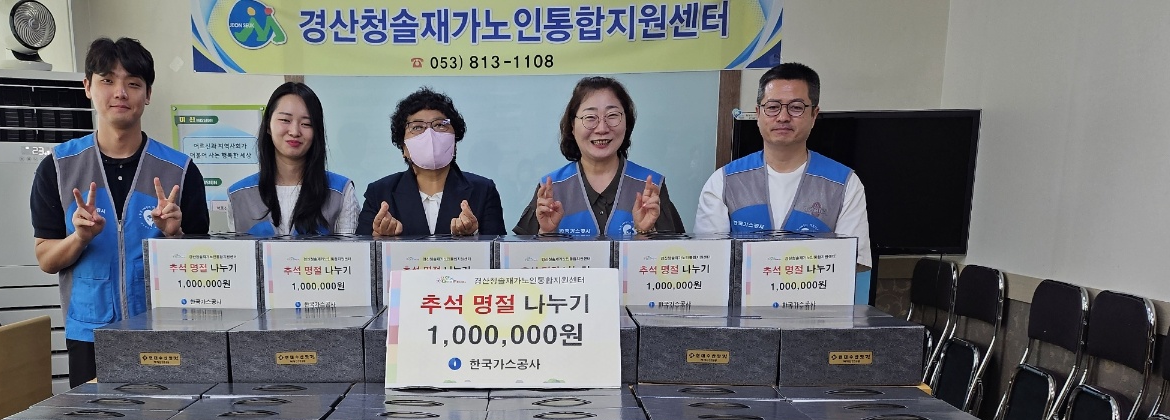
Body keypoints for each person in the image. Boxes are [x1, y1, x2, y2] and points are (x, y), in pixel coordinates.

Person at [31, 37, 207, 387]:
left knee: (168, 416)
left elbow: (203, 265)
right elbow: (46, 259)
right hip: (90, 333)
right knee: (99, 419)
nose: (120, 93)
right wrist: (79, 238)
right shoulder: (59, 167)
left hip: (165, 329)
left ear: (148, 94)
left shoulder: (180, 170)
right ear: (88, 87)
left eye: (133, 83)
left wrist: (175, 236)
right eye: (107, 80)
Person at [693, 62, 871, 275]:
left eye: (796, 107)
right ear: (758, 113)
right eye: (772, 107)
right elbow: (709, 260)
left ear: (814, 115)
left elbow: (852, 262)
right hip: (741, 296)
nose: (783, 117)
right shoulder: (723, 181)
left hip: (814, 295)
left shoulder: (845, 184)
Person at [514, 76, 683, 238]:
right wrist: (546, 233)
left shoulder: (650, 186)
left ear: (627, 122)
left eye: (612, 115)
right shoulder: (552, 187)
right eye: (590, 118)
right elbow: (521, 254)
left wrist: (645, 232)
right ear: (572, 125)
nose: (602, 128)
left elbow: (673, 254)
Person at [357, 88, 505, 237]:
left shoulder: (483, 190)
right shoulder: (379, 192)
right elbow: (360, 248)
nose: (430, 134)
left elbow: (499, 248)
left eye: (440, 125)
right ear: (404, 148)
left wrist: (474, 235)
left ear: (454, 141)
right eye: (417, 127)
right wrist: (379, 238)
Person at [227, 82, 359, 237]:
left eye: (306, 123)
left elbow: (349, 251)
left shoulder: (341, 191)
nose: (295, 131)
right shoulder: (238, 195)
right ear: (268, 125)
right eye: (285, 120)